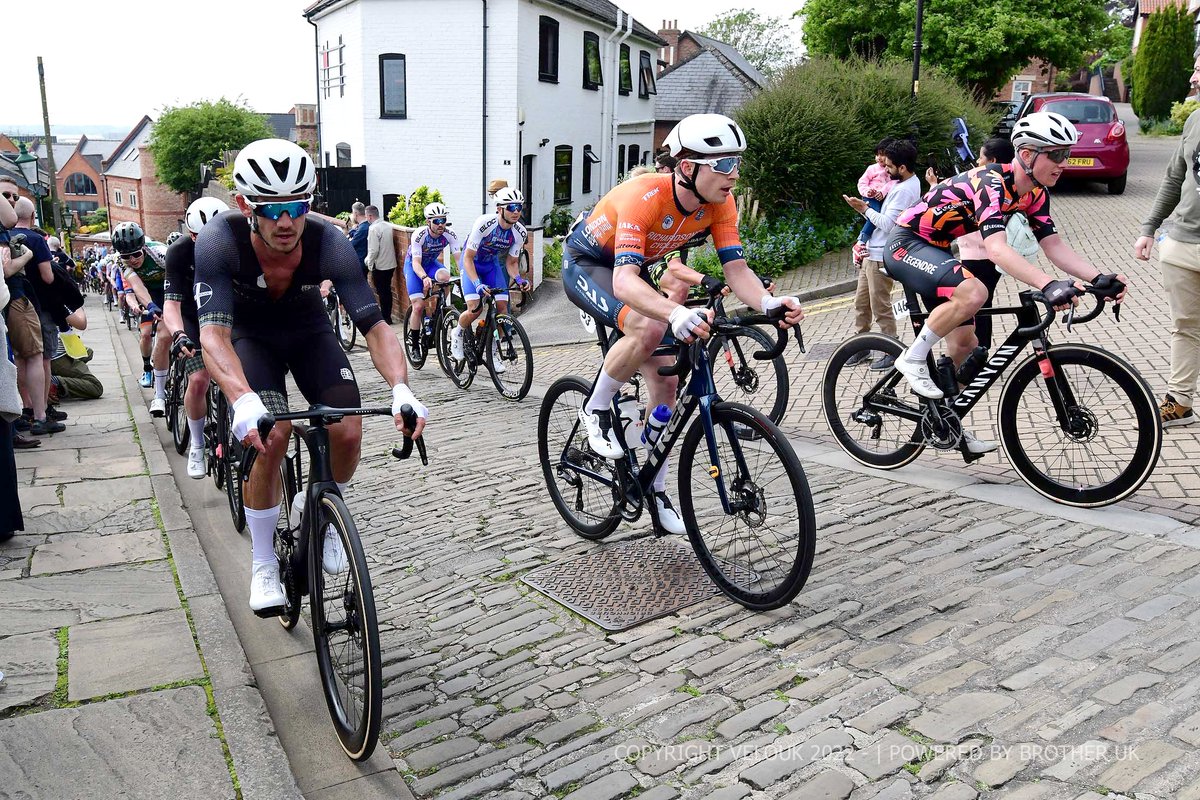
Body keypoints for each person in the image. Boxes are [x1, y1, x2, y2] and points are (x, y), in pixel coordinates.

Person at [195, 138, 426, 612]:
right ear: (244, 205)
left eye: (297, 207)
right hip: (250, 337)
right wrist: (241, 398)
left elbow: (376, 326)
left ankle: (317, 505)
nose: (285, 222)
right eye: (271, 209)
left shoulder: (328, 242)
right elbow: (213, 336)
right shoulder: (220, 239)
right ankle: (263, 561)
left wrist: (402, 388)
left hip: (308, 331)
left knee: (348, 429)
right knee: (271, 434)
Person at [562, 113, 803, 534]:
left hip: (634, 268)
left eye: (737, 163)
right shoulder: (644, 196)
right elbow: (623, 281)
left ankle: (654, 489)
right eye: (723, 164)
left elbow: (736, 270)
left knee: (668, 385)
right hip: (589, 263)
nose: (734, 175)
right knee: (649, 326)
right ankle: (595, 406)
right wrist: (674, 313)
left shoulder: (721, 203)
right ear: (688, 167)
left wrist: (768, 302)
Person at [883, 111, 1127, 454]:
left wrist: (1097, 277)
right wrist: (1048, 284)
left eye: (1067, 154)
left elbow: (1053, 245)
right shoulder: (992, 182)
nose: (1064, 162)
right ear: (1027, 154)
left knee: (966, 346)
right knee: (975, 292)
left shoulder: (1035, 193)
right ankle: (912, 358)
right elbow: (996, 249)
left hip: (938, 249)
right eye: (1057, 154)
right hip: (907, 244)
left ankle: (945, 420)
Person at [1134, 55, 1200, 427]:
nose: (1192, 78)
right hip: (1182, 244)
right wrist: (1149, 228)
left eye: (1199, 69)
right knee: (1185, 327)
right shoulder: (1195, 120)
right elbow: (1175, 178)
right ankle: (1180, 402)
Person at [841, 138, 923, 371]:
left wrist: (863, 209)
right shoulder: (899, 183)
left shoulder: (904, 190)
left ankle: (891, 349)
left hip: (881, 255)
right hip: (872, 253)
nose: (884, 170)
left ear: (902, 167)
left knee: (880, 305)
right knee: (861, 303)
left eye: (888, 166)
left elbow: (888, 224)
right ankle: (862, 346)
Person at [165, 196, 229, 478]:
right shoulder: (178, 252)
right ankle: (198, 444)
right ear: (190, 234)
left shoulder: (238, 245)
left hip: (227, 315)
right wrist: (179, 334)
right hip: (193, 316)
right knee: (200, 378)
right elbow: (171, 304)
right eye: (198, 238)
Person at [945, 137, 1016, 350]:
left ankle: (978, 351)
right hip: (992, 256)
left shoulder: (986, 186)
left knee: (976, 308)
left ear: (992, 160)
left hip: (977, 255)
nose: (977, 161)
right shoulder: (1010, 185)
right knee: (985, 304)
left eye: (981, 157)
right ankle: (981, 350)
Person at [448, 187, 530, 370]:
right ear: (499, 209)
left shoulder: (520, 232)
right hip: (472, 264)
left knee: (502, 310)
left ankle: (493, 351)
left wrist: (519, 279)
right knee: (475, 309)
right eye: (511, 207)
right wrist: (477, 284)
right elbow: (468, 258)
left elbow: (511, 262)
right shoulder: (484, 223)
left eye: (519, 207)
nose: (516, 211)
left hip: (491, 266)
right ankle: (458, 333)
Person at [7, 195, 64, 436]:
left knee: (19, 358)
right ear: (32, 216)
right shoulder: (36, 240)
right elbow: (48, 277)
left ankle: (26, 407)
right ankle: (41, 414)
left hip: (8, 304)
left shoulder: (7, 235)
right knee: (39, 359)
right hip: (31, 303)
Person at [113, 221, 170, 418]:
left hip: (170, 287)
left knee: (169, 331)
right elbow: (137, 286)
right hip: (148, 294)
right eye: (126, 256)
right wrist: (151, 306)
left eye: (136, 254)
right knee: (149, 334)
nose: (132, 260)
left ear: (144, 247)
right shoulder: (120, 261)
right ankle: (152, 376)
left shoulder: (160, 253)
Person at [403, 202, 460, 353]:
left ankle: (438, 313)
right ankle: (415, 346)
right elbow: (416, 263)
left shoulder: (450, 234)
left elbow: (459, 259)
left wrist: (465, 276)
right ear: (428, 222)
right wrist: (424, 277)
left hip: (431, 264)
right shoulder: (420, 235)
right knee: (418, 306)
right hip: (414, 266)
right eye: (436, 221)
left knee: (446, 277)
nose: (441, 224)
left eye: (443, 220)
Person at [851, 138, 897, 266]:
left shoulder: (891, 170)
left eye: (882, 155)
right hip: (870, 197)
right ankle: (861, 242)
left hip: (881, 197)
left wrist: (882, 192)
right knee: (874, 215)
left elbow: (892, 183)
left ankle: (863, 246)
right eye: (877, 155)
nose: (879, 158)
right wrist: (867, 192)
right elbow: (862, 183)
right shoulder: (872, 168)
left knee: (881, 218)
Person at [364, 204, 398, 323]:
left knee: (381, 291)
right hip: (391, 263)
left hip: (380, 265)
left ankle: (385, 317)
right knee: (387, 290)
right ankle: (387, 316)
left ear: (369, 216)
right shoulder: (388, 226)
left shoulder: (373, 229)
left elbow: (373, 250)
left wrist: (368, 262)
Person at [348, 201, 370, 271]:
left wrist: (351, 230)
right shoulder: (367, 224)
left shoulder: (362, 228)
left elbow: (351, 244)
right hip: (364, 259)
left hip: (360, 261)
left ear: (355, 213)